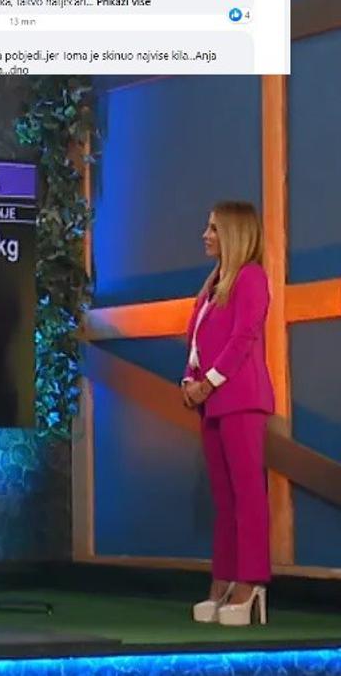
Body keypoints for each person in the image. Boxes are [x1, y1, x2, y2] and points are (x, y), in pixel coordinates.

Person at [181, 201, 275, 627]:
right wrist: (189, 380)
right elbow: (197, 343)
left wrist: (208, 383)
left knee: (248, 495)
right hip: (212, 402)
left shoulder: (251, 277)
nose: (206, 235)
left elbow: (243, 338)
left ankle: (250, 580)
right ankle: (223, 577)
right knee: (224, 500)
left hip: (241, 399)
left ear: (234, 234)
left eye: (214, 228)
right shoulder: (213, 283)